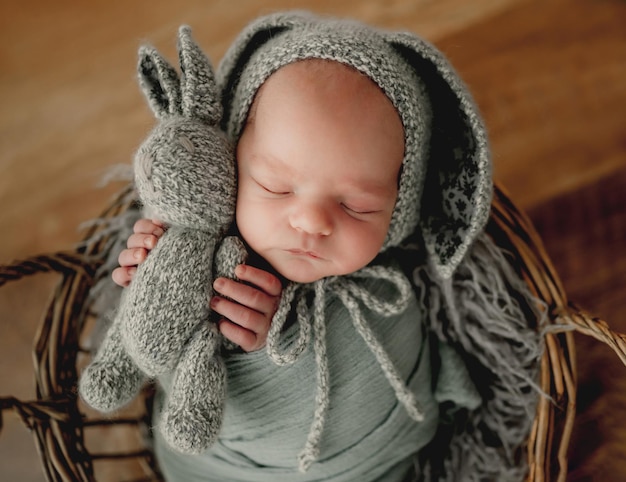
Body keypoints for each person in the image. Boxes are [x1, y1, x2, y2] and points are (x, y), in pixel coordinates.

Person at [102, 11, 543, 482]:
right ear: (231, 159)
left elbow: (388, 368)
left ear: (401, 205)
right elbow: (161, 348)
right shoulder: (201, 245)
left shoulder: (391, 287)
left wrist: (282, 330)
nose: (312, 222)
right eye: (275, 186)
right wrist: (151, 275)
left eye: (357, 206)